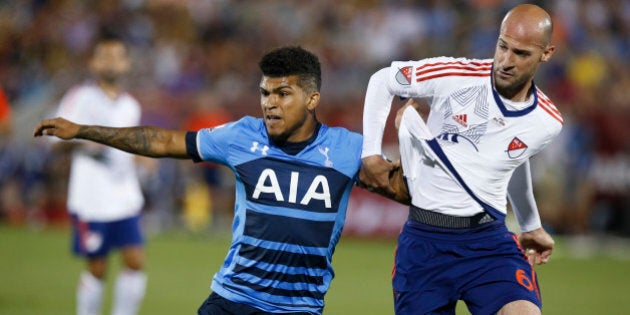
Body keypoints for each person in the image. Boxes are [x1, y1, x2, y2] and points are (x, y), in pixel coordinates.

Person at [35, 46, 365, 315]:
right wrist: (82, 130)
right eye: (265, 93)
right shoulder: (242, 136)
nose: (270, 103)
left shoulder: (349, 150)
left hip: (299, 309)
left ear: (312, 99)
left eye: (283, 93)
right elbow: (163, 142)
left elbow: (401, 186)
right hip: (231, 299)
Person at [360, 4, 562, 315]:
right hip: (426, 242)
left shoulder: (547, 121)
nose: (506, 61)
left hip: (489, 242)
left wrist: (530, 225)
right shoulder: (455, 75)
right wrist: (371, 153)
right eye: (502, 47)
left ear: (546, 53)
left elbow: (513, 159)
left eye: (520, 54)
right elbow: (383, 79)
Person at [49, 34, 147, 315]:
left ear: (126, 64)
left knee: (135, 262)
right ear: (93, 63)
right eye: (104, 55)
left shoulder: (132, 105)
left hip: (125, 195)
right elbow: (54, 140)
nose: (111, 61)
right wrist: (83, 142)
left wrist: (143, 158)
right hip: (91, 198)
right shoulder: (80, 97)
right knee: (98, 268)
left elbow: (128, 147)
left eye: (117, 56)